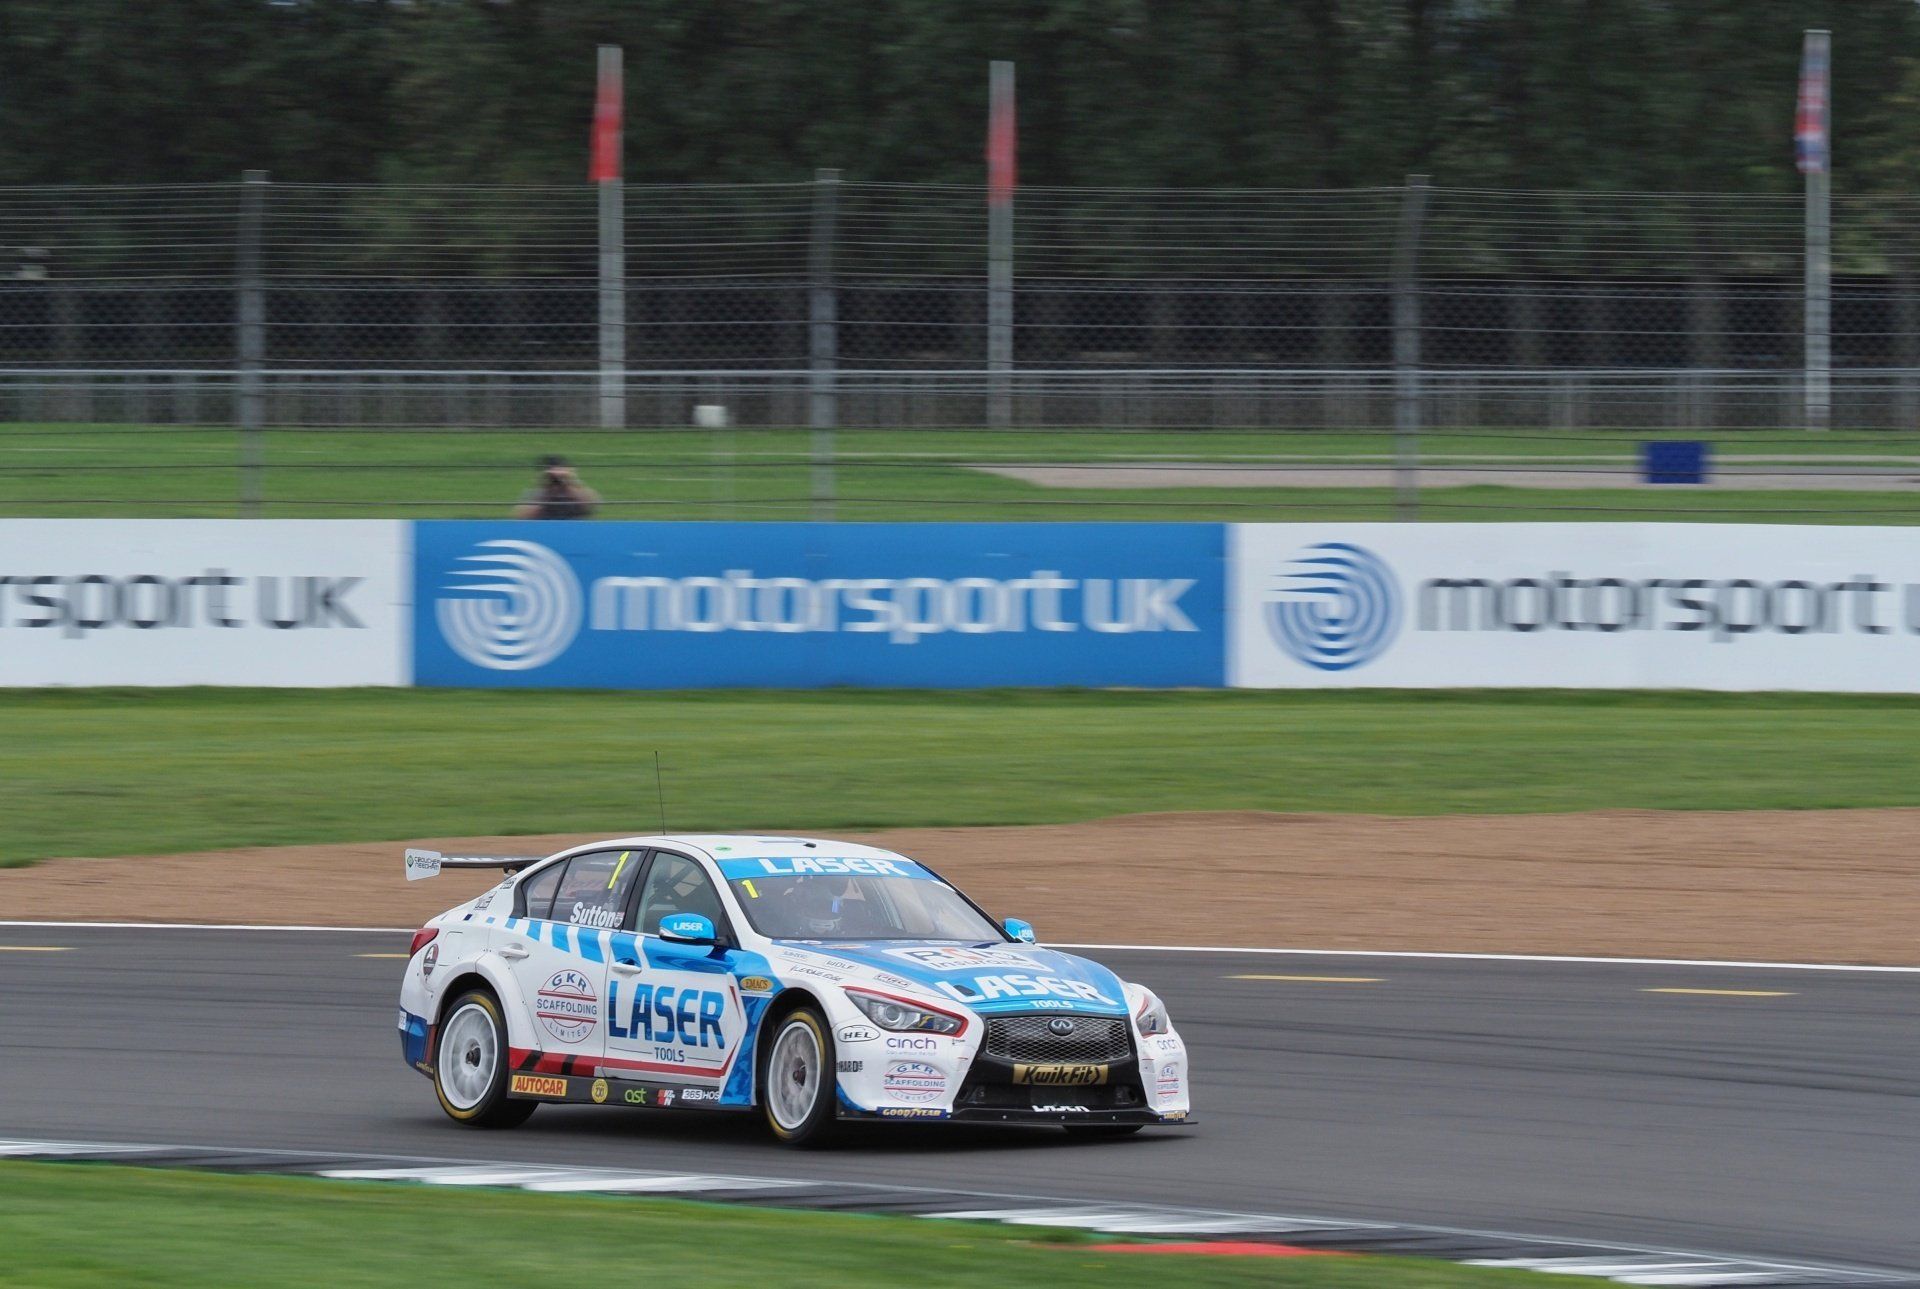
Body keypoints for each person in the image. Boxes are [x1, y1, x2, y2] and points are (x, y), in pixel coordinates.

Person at [514, 455, 601, 520]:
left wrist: (571, 482)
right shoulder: (536, 493)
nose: (556, 478)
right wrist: (543, 485)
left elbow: (592, 506)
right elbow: (522, 517)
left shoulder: (576, 492)